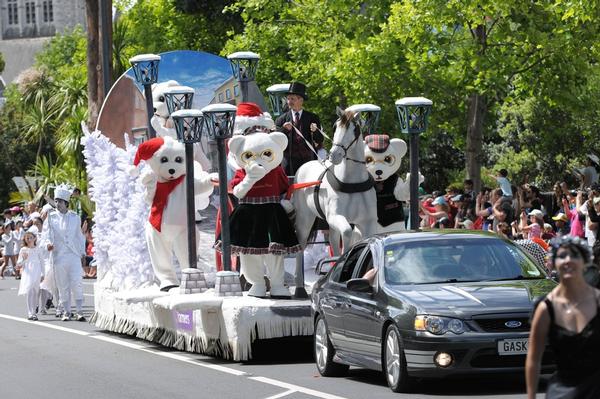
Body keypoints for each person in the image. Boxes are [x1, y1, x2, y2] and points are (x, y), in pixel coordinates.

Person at [526, 236, 600, 398]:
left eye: (575, 255)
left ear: (585, 262)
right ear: (552, 263)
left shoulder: (597, 301)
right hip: (563, 391)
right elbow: (533, 359)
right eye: (561, 256)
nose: (568, 260)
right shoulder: (545, 308)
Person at [41, 185, 87, 322]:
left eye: (60, 201)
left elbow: (79, 236)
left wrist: (83, 252)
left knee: (77, 282)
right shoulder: (51, 217)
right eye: (55, 201)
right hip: (58, 255)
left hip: (73, 254)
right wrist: (48, 244)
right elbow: (46, 235)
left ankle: (79, 311)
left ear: (66, 203)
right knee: (62, 285)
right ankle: (66, 312)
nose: (57, 204)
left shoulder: (75, 217)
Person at [275, 82, 323, 176]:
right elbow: (275, 140)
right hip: (289, 163)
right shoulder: (281, 119)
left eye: (292, 99)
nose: (289, 102)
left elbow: (320, 140)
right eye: (288, 99)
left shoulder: (312, 117)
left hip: (309, 162)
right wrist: (283, 130)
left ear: (301, 100)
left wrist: (315, 131)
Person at [16, 230, 45, 321]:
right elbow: (18, 264)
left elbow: (42, 263)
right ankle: (30, 312)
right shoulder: (23, 250)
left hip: (37, 272)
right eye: (27, 238)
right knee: (29, 291)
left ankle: (34, 312)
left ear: (34, 238)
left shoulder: (38, 249)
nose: (29, 239)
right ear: (25, 239)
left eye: (30, 238)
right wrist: (24, 259)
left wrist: (43, 274)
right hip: (27, 272)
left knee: (35, 292)